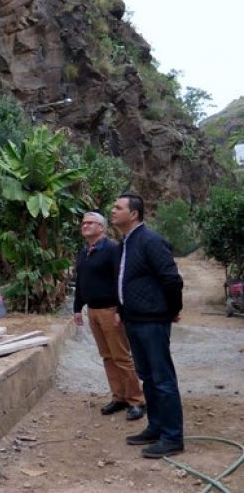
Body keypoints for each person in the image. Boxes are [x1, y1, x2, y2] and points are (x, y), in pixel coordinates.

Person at [111, 193, 184, 459]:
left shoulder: (151, 241)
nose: (113, 211)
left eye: (118, 207)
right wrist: (121, 310)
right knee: (149, 379)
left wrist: (172, 310)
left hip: (153, 321)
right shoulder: (124, 244)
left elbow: (172, 280)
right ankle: (155, 427)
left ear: (134, 214)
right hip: (134, 320)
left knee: (163, 379)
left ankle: (173, 437)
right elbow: (123, 281)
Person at [73, 211, 144, 420]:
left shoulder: (113, 249)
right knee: (107, 357)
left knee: (121, 356)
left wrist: (121, 310)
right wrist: (78, 308)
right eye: (83, 223)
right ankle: (119, 396)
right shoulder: (84, 251)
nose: (85, 226)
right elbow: (81, 282)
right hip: (93, 311)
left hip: (110, 310)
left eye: (90, 223)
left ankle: (136, 400)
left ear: (101, 228)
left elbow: (121, 281)